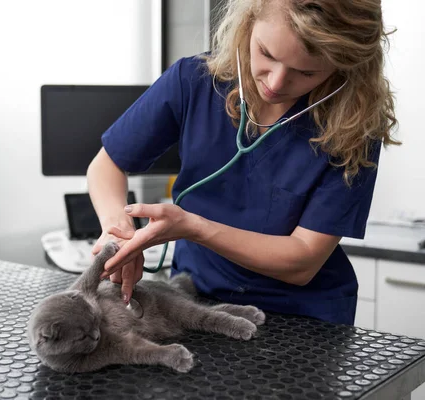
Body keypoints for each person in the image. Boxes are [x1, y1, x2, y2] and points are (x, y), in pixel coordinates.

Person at [86, 0, 399, 325]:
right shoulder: (193, 81)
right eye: (266, 54)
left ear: (345, 66)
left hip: (303, 320)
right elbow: (107, 165)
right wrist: (117, 229)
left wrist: (194, 227)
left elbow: (303, 260)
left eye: (306, 72)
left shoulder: (354, 125)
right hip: (195, 302)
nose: (276, 83)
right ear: (247, 23)